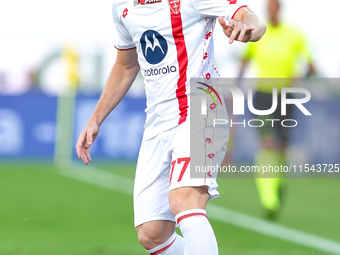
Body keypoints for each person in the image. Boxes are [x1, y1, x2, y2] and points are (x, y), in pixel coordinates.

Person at [76, 1, 266, 254]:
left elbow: (254, 21)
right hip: (158, 120)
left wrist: (247, 28)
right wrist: (95, 118)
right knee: (152, 233)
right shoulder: (122, 8)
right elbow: (126, 66)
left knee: (184, 200)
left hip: (200, 108)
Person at [238, 0, 315, 218]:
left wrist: (301, 77)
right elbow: (244, 63)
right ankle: (269, 199)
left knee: (281, 149)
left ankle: (277, 185)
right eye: (268, 8)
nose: (271, 11)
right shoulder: (258, 34)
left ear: (279, 9)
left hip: (286, 96)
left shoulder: (294, 35)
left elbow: (311, 66)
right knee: (268, 144)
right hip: (262, 96)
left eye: (274, 7)